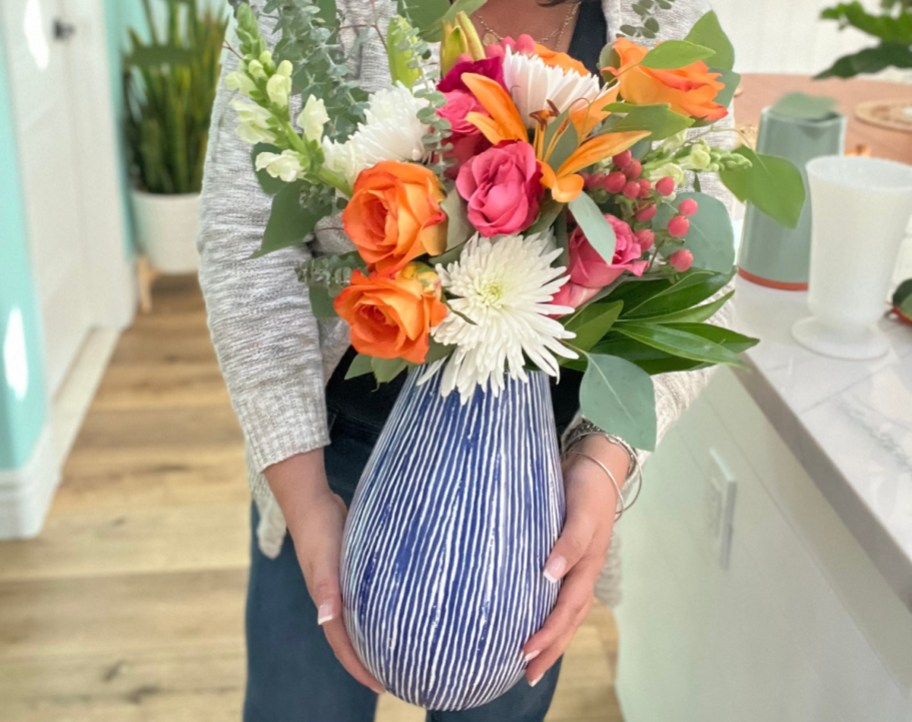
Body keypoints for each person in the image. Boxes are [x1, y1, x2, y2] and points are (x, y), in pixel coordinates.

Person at [197, 1, 733, 720]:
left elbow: (703, 269)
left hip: (537, 481)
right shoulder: (305, 14)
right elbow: (246, 248)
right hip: (331, 459)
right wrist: (302, 498)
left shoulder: (666, 19)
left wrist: (604, 464)